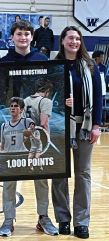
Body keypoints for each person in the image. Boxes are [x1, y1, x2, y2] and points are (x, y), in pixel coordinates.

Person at [0, 20, 58, 237]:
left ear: (32, 37)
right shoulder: (4, 62)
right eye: (19, 34)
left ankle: (43, 217)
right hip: (13, 124)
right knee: (9, 176)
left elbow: (52, 87)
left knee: (41, 175)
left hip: (35, 126)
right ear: (12, 37)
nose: (23, 37)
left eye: (26, 34)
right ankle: (8, 219)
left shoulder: (42, 60)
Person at [52, 26, 102, 239]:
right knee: (60, 174)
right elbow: (44, 95)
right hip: (59, 127)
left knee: (83, 174)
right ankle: (63, 219)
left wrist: (97, 126)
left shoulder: (90, 66)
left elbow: (98, 97)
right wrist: (59, 101)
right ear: (62, 41)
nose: (74, 42)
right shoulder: (54, 66)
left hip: (84, 127)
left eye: (78, 39)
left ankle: (82, 222)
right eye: (70, 38)